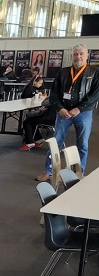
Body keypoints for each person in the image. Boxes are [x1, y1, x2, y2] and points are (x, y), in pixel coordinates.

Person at [37, 44, 98, 182]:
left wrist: (79, 109)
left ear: (87, 55)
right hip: (63, 112)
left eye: (81, 54)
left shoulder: (94, 72)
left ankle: (79, 172)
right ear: (72, 56)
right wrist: (60, 108)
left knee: (82, 144)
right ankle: (49, 171)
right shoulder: (63, 72)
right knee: (55, 142)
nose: (79, 56)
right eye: (76, 54)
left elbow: (95, 95)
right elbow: (53, 94)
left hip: (83, 113)